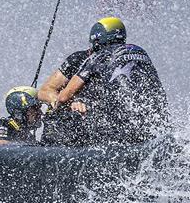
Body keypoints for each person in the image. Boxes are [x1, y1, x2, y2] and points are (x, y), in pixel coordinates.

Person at [56, 16, 168, 144]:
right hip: (154, 123)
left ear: (97, 41)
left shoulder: (99, 56)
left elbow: (63, 97)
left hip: (121, 129)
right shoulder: (141, 51)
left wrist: (74, 102)